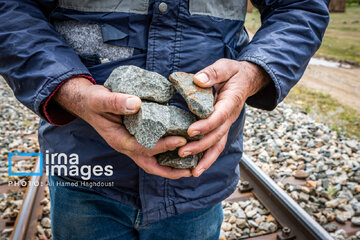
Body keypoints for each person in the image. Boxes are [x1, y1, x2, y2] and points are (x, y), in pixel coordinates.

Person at [0, 0, 329, 239]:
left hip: (196, 179)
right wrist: (70, 91)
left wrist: (253, 73)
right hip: (84, 168)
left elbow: (300, 6)